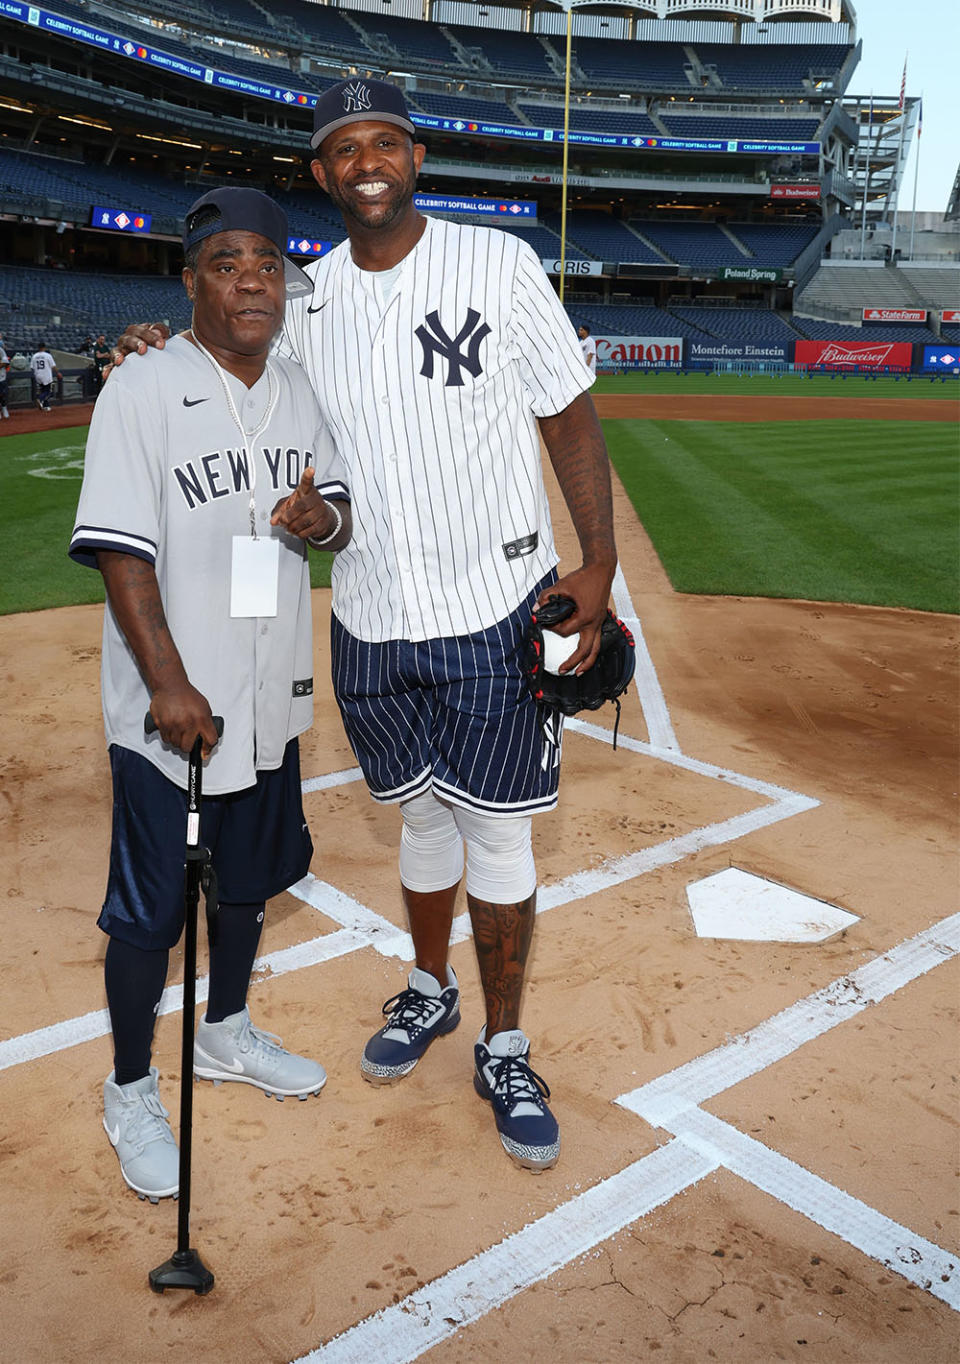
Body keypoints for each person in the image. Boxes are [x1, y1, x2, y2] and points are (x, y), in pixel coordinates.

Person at [113, 79, 619, 1175]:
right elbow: (229, 341)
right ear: (322, 173)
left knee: (499, 832)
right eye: (345, 148)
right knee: (424, 819)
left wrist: (602, 558)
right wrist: (152, 348)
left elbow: (567, 406)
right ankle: (431, 990)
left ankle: (505, 1040)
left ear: (417, 157)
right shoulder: (308, 298)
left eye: (385, 140)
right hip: (376, 620)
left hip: (496, 605)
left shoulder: (498, 263)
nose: (368, 161)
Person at [69, 187, 352, 1204]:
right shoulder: (143, 385)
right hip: (171, 713)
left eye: (268, 265)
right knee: (150, 913)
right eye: (227, 263)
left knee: (248, 882)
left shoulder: (303, 388)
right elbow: (116, 548)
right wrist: (168, 680)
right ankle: (130, 1088)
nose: (250, 281)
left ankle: (226, 1030)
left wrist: (321, 518)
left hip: (270, 691)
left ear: (287, 284)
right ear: (190, 279)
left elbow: (341, 516)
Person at [30, 342, 60, 411]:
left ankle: (46, 406)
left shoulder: (34, 356)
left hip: (38, 375)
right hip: (46, 375)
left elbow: (32, 367)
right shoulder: (47, 355)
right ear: (44, 347)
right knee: (49, 392)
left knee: (43, 390)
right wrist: (58, 373)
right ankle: (40, 399)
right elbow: (53, 366)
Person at [0, 338, 9, 418]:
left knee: (2, 394)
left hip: (1, 377)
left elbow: (5, 362)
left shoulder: (1, 350)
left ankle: (4, 408)